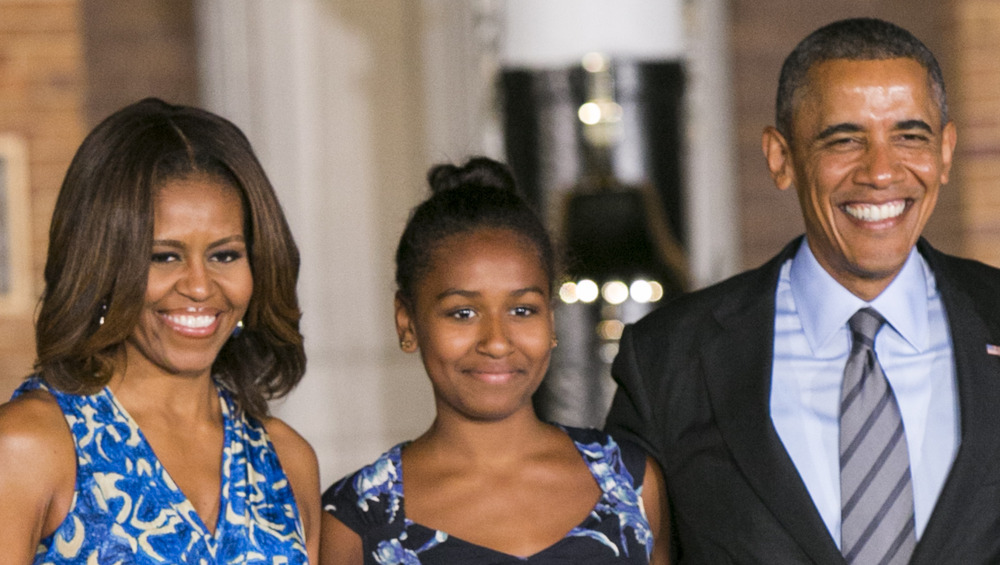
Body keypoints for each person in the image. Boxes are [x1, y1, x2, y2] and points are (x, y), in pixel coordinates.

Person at [605, 17, 1000, 564]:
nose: (881, 172)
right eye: (844, 140)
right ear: (781, 158)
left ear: (947, 152)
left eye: (910, 136)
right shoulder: (668, 360)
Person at [0, 98, 320, 563]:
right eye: (163, 256)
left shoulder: (286, 460)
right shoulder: (27, 447)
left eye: (225, 255)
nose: (198, 286)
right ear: (103, 266)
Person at [319, 157, 670, 564]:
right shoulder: (356, 521)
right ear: (407, 322)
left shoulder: (632, 484)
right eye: (462, 313)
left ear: (551, 321)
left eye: (522, 310)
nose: (497, 342)